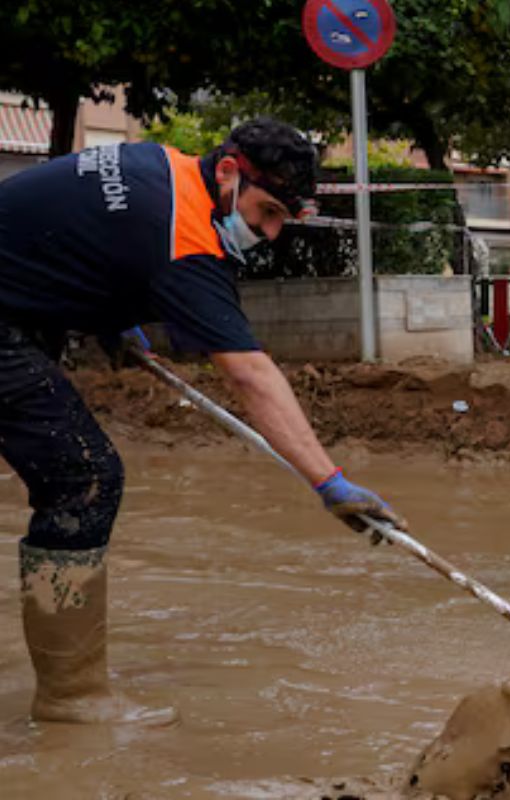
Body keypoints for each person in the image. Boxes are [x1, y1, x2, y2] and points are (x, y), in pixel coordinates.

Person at [0, 118, 398, 725]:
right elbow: (250, 375)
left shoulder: (163, 167)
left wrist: (108, 309)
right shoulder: (185, 236)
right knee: (83, 478)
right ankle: (71, 696)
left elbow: (84, 233)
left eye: (279, 224)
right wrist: (329, 482)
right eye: (265, 213)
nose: (266, 234)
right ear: (231, 172)